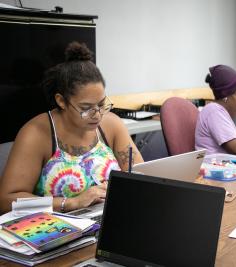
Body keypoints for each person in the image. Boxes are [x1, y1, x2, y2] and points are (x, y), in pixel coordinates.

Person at [0, 42, 143, 214]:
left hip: (109, 218)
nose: (97, 115)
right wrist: (71, 202)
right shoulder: (36, 134)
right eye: (86, 108)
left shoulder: (111, 124)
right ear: (61, 101)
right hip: (58, 229)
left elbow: (141, 175)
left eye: (101, 104)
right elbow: (6, 201)